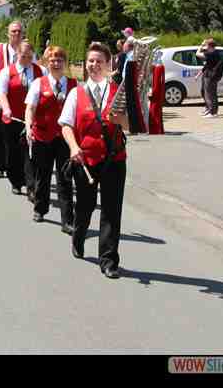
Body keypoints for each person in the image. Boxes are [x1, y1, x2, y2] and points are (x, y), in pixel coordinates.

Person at [59, 42, 128, 279]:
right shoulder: (76, 93)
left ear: (108, 65)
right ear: (85, 65)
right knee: (85, 207)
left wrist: (122, 120)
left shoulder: (118, 92)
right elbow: (66, 125)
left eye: (99, 61)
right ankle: (78, 237)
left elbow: (133, 126)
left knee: (111, 210)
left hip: (114, 159)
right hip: (85, 159)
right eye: (91, 61)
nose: (94, 65)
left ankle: (108, 260)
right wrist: (74, 147)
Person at [24, 46, 77, 227]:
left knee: (65, 179)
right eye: (53, 60)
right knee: (42, 175)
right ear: (47, 62)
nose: (56, 63)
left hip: (64, 138)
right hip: (42, 136)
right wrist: (28, 126)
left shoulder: (74, 85)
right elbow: (30, 108)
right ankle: (40, 209)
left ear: (65, 63)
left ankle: (67, 220)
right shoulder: (38, 83)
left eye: (59, 60)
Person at [0, 40, 45, 197]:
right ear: (17, 55)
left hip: (33, 120)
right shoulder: (7, 72)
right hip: (13, 119)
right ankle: (15, 181)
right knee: (13, 153)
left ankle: (31, 186)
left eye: (30, 57)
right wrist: (6, 108)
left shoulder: (40, 71)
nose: (27, 60)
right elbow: (1, 92)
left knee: (31, 153)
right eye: (24, 56)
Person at [0, 21, 27, 178]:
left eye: (19, 31)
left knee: (19, 139)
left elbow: (38, 71)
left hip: (21, 103)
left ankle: (17, 170)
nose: (16, 34)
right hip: (0, 100)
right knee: (0, 136)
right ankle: (0, 166)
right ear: (8, 34)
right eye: (13, 31)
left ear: (23, 34)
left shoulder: (28, 51)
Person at [196, 38, 223, 118]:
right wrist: (199, 74)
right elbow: (207, 65)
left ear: (210, 46)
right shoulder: (212, 53)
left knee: (210, 94)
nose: (205, 47)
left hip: (212, 76)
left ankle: (213, 112)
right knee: (206, 93)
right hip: (209, 75)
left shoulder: (213, 54)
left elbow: (197, 54)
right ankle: (209, 109)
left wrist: (201, 45)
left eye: (206, 45)